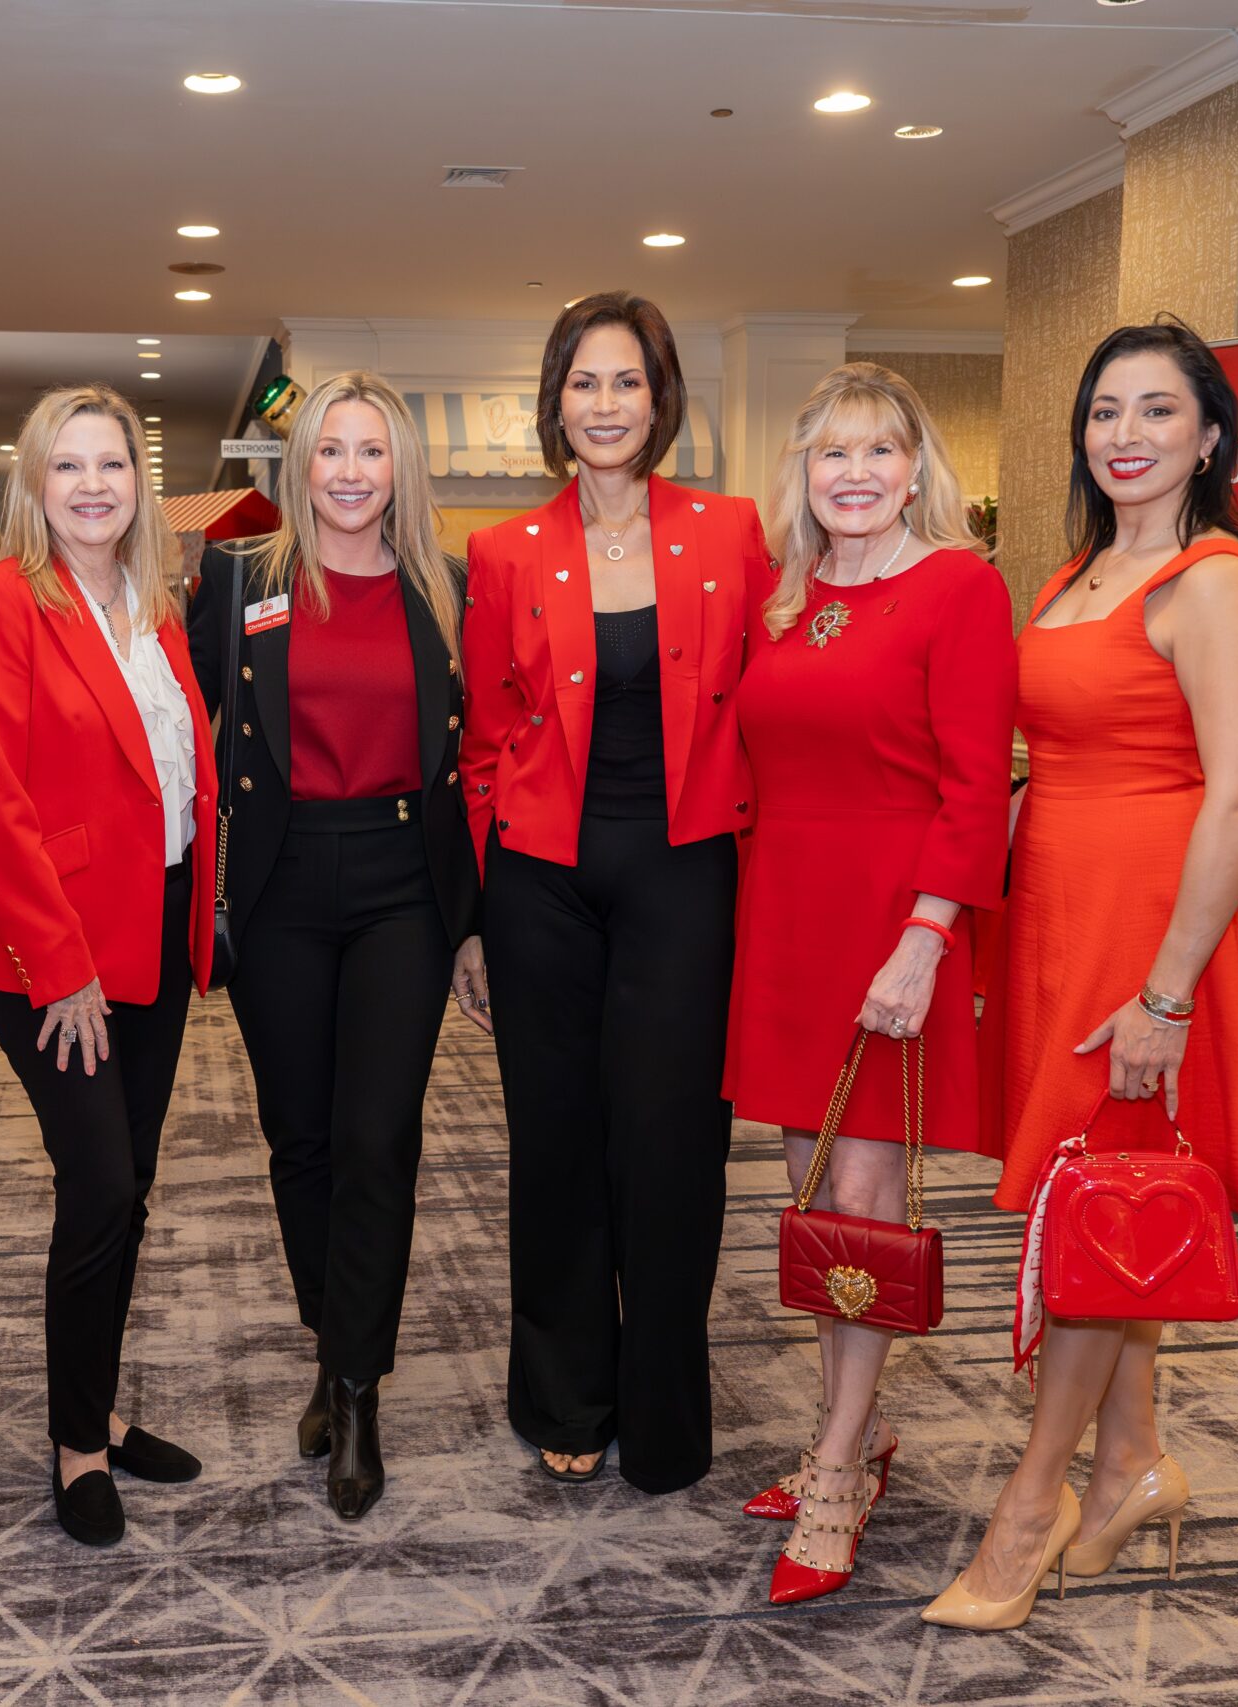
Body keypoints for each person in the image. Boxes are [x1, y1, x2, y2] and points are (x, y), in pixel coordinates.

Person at [926, 322, 1238, 1632]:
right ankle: (1132, 1461)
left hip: (1147, 934)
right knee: (1099, 1208)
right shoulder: (1071, 575)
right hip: (1058, 922)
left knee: (1099, 1221)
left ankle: (1032, 1505)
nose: (1123, 434)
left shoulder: (1213, 577)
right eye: (1104, 411)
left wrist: (1171, 992)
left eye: (1155, 410)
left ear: (1210, 436)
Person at [456, 293, 771, 1493]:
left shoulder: (733, 531)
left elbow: (776, 703)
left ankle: (667, 1402)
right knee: (557, 1140)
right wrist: (481, 915)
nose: (604, 405)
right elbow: (484, 745)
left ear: (660, 396)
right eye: (583, 384)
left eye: (625, 382)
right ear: (554, 403)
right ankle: (565, 1391)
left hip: (685, 871)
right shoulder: (505, 551)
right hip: (541, 880)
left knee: (673, 1142)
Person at [723, 364, 1016, 1603]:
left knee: (861, 1191)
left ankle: (839, 1458)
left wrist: (926, 934)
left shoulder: (958, 586)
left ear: (915, 469)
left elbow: (975, 779)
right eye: (831, 454)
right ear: (802, 472)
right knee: (809, 1196)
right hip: (783, 918)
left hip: (894, 924)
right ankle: (859, 1422)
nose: (853, 474)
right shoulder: (780, 600)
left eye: (878, 453)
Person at [187, 372, 476, 1521]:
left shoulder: (444, 588)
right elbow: (181, 724)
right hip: (279, 881)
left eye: (372, 452)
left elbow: (482, 758)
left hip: (405, 883)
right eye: (329, 451)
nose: (350, 472)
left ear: (400, 468)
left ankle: (357, 1387)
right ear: (296, 464)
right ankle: (329, 1338)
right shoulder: (239, 579)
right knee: (299, 1140)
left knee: (376, 1137)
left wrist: (479, 922)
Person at [0, 383, 216, 1548]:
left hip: (151, 925)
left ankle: (99, 1413)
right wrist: (57, 965)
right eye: (69, 466)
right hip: (53, 946)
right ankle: (72, 1448)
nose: (93, 486)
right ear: (32, 484)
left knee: (130, 1188)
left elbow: (173, 774)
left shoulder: (154, 606)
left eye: (112, 465)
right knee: (99, 1185)